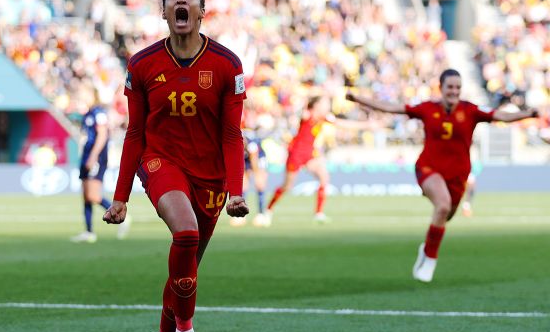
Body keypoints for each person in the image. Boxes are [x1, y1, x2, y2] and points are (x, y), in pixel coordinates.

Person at [103, 0, 249, 332]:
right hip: (160, 161)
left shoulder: (227, 64)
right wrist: (120, 198)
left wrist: (235, 190)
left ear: (202, 12)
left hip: (211, 177)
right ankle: (186, 331)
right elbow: (134, 133)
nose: (181, 2)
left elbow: (232, 134)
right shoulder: (143, 63)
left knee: (184, 274)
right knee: (184, 231)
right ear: (163, 13)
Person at [346, 68, 538, 282]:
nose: (454, 91)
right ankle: (430, 258)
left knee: (445, 215)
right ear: (441, 88)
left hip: (458, 174)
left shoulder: (471, 110)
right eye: (450, 87)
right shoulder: (427, 108)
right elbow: (393, 107)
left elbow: (501, 115)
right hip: (429, 168)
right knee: (443, 205)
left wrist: (527, 114)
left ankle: (426, 247)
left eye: (457, 87)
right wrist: (358, 99)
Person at [265, 95, 367, 223]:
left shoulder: (324, 118)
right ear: (317, 105)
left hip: (309, 154)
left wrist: (366, 125)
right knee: (287, 186)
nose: (327, 105)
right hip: (296, 154)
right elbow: (300, 114)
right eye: (324, 103)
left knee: (324, 177)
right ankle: (268, 210)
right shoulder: (308, 115)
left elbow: (344, 124)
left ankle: (318, 213)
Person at [70, 95, 129, 242]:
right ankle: (89, 232)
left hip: (95, 158)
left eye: (83, 96)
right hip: (86, 155)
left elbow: (102, 136)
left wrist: (93, 156)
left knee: (93, 196)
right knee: (86, 196)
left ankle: (120, 214)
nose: (81, 101)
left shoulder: (99, 113)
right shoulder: (88, 114)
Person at [230, 128, 269, 227]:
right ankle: (241, 214)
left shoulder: (252, 146)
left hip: (258, 157)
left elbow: (255, 164)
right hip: (245, 158)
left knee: (259, 185)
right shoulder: (234, 143)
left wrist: (257, 175)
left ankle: (261, 214)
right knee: (243, 185)